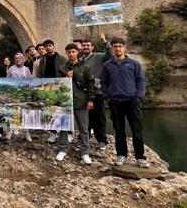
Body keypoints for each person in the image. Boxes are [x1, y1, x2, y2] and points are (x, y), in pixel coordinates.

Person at [101, 38, 149, 168]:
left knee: (137, 130)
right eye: (115, 46)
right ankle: (121, 155)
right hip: (115, 102)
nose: (118, 49)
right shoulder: (107, 65)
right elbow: (103, 83)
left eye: (120, 46)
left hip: (132, 101)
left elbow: (141, 81)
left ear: (124, 47)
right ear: (112, 48)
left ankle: (140, 157)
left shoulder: (134, 64)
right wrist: (107, 98)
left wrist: (138, 97)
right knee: (119, 130)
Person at [55, 44, 95, 165]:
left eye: (73, 51)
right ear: (66, 53)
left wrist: (90, 100)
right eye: (68, 52)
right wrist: (65, 77)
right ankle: (63, 148)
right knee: (63, 127)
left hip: (81, 101)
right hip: (65, 102)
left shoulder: (85, 67)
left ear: (77, 52)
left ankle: (85, 152)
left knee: (83, 128)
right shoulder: (62, 68)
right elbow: (57, 83)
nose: (71, 54)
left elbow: (91, 84)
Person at [82, 34, 112, 150]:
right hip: (84, 93)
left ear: (92, 47)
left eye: (88, 45)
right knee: (86, 116)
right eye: (84, 45)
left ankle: (102, 140)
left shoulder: (99, 56)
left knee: (99, 116)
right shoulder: (81, 59)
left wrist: (105, 41)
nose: (86, 47)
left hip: (97, 92)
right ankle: (86, 138)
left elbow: (110, 56)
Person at [36, 39, 68, 144]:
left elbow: (65, 72)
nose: (48, 47)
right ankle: (53, 132)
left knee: (60, 109)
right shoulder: (42, 60)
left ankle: (65, 133)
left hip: (58, 86)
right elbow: (40, 73)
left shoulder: (62, 59)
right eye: (46, 46)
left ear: (53, 46)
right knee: (50, 110)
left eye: (50, 45)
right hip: (47, 87)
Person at [5, 53, 33, 142]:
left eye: (19, 58)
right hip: (14, 94)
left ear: (23, 59)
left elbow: (30, 81)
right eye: (16, 58)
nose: (18, 60)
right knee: (13, 112)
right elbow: (7, 81)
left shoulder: (26, 69)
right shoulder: (11, 69)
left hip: (24, 94)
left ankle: (27, 132)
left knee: (25, 113)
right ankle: (10, 131)